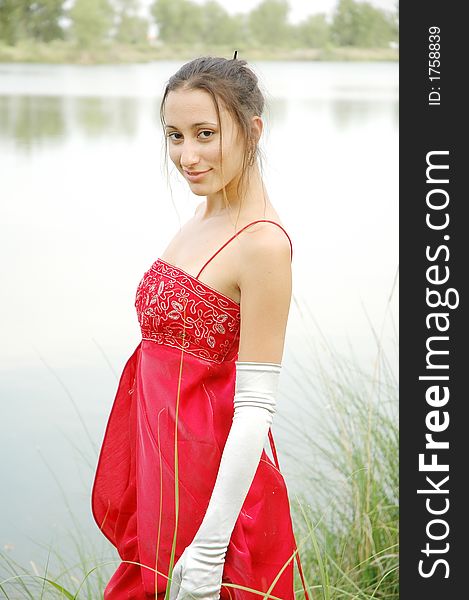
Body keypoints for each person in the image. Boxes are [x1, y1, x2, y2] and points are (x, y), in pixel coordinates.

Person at [91, 53, 310, 600]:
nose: (187, 156)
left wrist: (211, 549)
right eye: (174, 135)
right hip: (159, 464)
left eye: (205, 134)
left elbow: (256, 405)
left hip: (211, 484)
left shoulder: (262, 244)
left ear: (252, 130)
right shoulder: (204, 215)